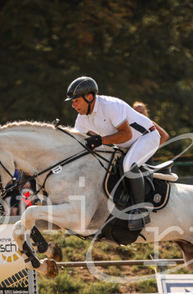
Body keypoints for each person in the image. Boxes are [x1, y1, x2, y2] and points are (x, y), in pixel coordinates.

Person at [65, 76, 160, 231]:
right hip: (123, 144)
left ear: (90, 97)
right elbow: (76, 143)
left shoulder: (110, 105)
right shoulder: (82, 118)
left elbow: (127, 134)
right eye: (73, 102)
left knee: (128, 165)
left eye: (76, 101)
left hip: (147, 137)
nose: (73, 105)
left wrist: (100, 140)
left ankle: (140, 211)